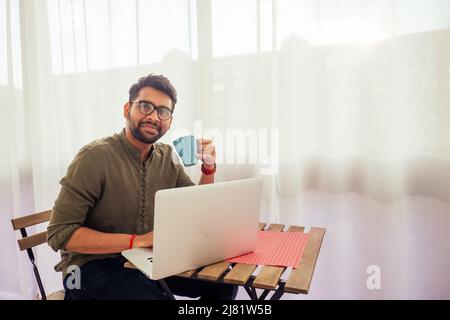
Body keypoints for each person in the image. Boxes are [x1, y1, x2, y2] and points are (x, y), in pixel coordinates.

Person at [47, 74, 237, 300]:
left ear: (169, 121)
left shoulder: (167, 156)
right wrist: (136, 240)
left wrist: (208, 168)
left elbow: (197, 207)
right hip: (90, 266)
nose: (154, 117)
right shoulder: (94, 157)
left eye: (163, 111)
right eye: (145, 106)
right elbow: (60, 233)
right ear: (127, 109)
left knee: (223, 283)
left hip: (146, 258)